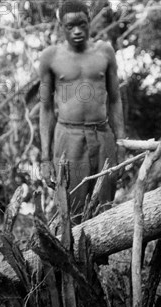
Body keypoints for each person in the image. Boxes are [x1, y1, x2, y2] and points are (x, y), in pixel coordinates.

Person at [39, 0, 125, 222]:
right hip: (68, 138)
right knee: (72, 210)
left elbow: (115, 100)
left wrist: (121, 145)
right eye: (70, 26)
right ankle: (73, 256)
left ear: (90, 22)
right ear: (61, 27)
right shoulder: (50, 57)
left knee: (104, 208)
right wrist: (45, 158)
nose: (77, 31)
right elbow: (46, 109)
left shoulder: (105, 52)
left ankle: (101, 257)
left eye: (82, 24)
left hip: (102, 135)